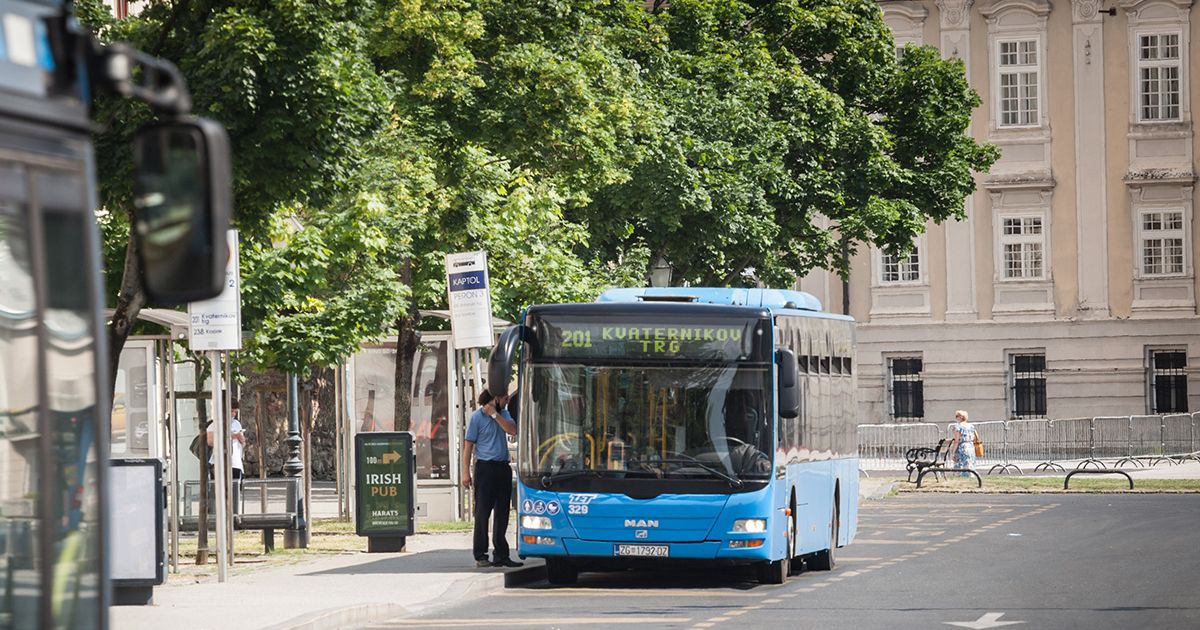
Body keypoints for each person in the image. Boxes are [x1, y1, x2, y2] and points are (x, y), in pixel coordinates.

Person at [463, 389, 522, 568]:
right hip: (485, 468)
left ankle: (501, 554)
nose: (506, 401)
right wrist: (466, 472)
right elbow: (468, 447)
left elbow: (512, 430)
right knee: (482, 512)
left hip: (502, 467)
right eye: (504, 398)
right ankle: (481, 554)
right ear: (495, 398)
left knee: (502, 512)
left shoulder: (504, 414)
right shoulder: (476, 418)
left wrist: (496, 415)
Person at [207, 399, 245, 483]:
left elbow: (242, 442)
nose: (233, 414)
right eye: (232, 411)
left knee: (236, 488)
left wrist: (242, 440)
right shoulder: (214, 425)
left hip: (236, 462)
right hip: (219, 462)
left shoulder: (237, 424)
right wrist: (232, 435)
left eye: (235, 412)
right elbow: (210, 441)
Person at [947, 409, 977, 477]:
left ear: (960, 417)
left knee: (961, 463)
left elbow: (956, 440)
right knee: (969, 463)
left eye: (957, 416)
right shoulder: (971, 426)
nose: (956, 417)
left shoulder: (957, 427)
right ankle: (970, 475)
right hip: (970, 446)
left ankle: (961, 476)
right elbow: (974, 437)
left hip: (962, 447)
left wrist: (953, 452)